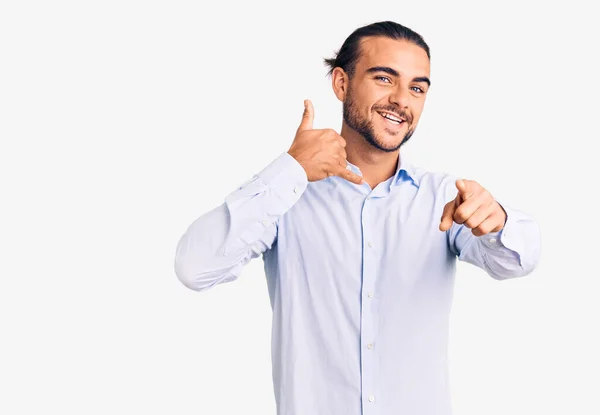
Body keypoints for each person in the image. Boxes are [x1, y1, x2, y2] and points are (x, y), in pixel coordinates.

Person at [174, 20, 541, 415]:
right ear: (341, 84)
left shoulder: (445, 199)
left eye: (417, 88)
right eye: (385, 78)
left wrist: (499, 220)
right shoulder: (286, 194)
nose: (402, 100)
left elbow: (516, 262)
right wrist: (290, 170)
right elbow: (195, 268)